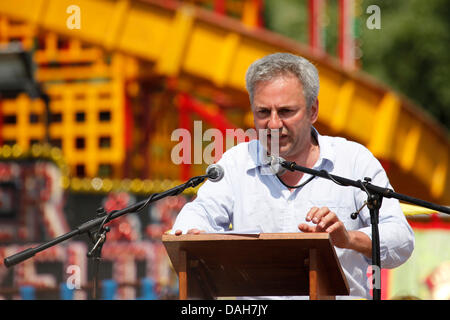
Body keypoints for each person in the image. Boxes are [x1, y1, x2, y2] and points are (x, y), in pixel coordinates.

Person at [171, 52, 415, 299]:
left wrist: (347, 238)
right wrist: (194, 233)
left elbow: (401, 240)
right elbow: (197, 214)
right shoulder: (235, 163)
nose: (274, 124)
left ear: (313, 110)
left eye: (286, 111)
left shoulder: (353, 161)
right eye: (263, 112)